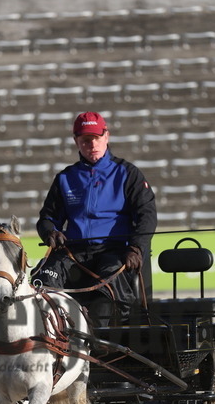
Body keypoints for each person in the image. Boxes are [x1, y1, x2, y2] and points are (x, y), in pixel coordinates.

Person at [32, 111, 157, 326]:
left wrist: (137, 248)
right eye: (85, 140)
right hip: (73, 253)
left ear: (106, 136)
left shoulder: (127, 173)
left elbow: (147, 215)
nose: (92, 145)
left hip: (113, 252)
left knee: (105, 297)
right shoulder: (65, 178)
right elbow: (47, 218)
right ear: (76, 142)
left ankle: (98, 344)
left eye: (97, 138)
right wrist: (50, 232)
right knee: (42, 280)